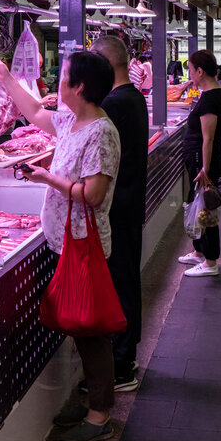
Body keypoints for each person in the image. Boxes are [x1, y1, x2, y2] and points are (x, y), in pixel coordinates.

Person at [0, 52, 120, 441]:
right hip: (64, 241)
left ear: (78, 86)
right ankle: (90, 402)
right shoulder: (70, 121)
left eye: (62, 76)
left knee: (91, 331)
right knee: (79, 328)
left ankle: (100, 417)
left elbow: (94, 195)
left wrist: (49, 178)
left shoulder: (101, 131)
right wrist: (5, 76)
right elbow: (32, 111)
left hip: (85, 245)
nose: (57, 82)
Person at [90, 36, 148, 392]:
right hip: (128, 205)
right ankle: (123, 358)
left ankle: (123, 364)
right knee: (125, 280)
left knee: (121, 283)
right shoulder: (132, 98)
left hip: (119, 209)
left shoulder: (115, 102)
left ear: (104, 64)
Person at [176, 50, 221, 278]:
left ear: (200, 71)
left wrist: (205, 170)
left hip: (202, 160)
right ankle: (199, 252)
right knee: (197, 204)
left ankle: (211, 262)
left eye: (191, 69)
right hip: (200, 158)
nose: (189, 74)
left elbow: (208, 138)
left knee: (206, 209)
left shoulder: (211, 99)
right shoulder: (212, 92)